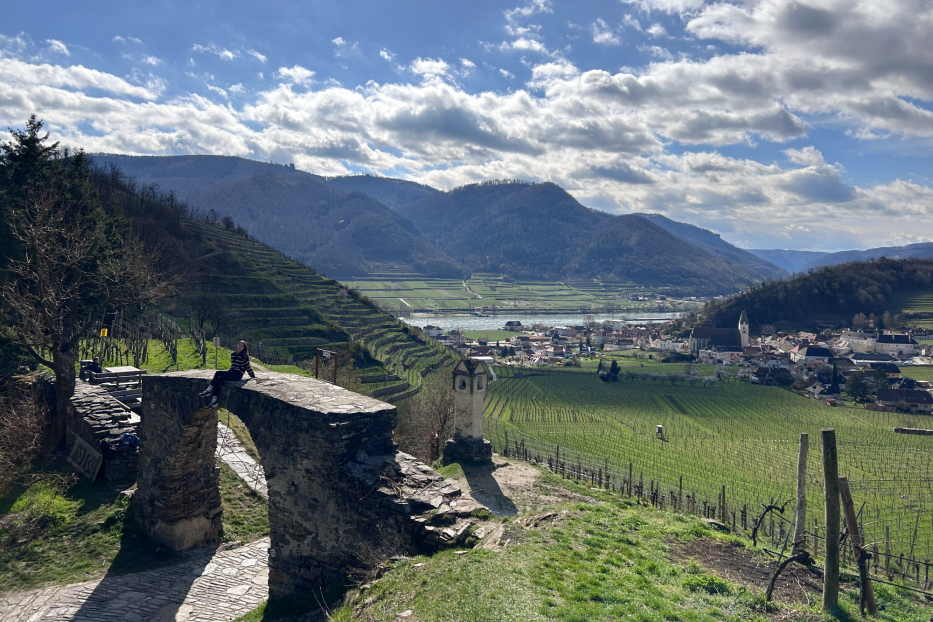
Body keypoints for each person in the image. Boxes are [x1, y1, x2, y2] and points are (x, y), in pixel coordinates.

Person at [200, 341, 256, 408]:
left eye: (242, 346)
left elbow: (248, 367)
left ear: (244, 348)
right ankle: (214, 400)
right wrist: (228, 372)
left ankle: (209, 390)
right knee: (218, 381)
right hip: (231, 372)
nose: (240, 347)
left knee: (218, 373)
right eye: (239, 345)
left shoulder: (244, 356)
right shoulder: (233, 354)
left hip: (237, 374)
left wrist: (253, 376)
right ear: (237, 345)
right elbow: (233, 366)